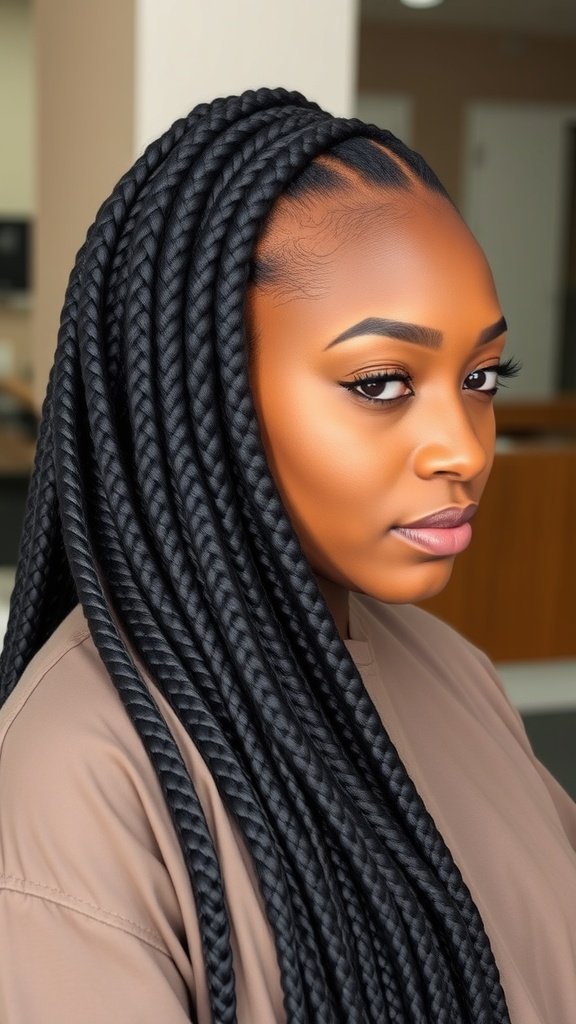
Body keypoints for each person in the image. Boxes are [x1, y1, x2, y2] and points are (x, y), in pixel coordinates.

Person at [0, 87, 574, 1024]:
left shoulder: (455, 673)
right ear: (199, 402)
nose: (466, 448)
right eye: (382, 382)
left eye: (481, 377)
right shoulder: (77, 782)